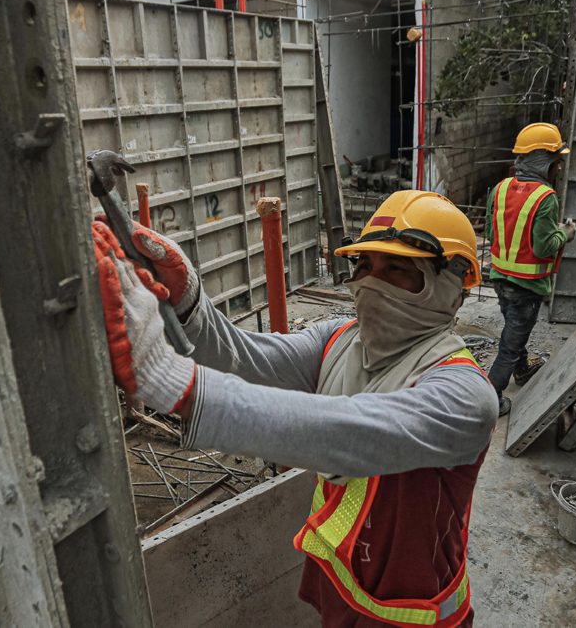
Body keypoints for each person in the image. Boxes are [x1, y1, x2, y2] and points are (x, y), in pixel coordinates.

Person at [92, 190, 497, 627]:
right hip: (342, 589)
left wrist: (175, 383)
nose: (370, 282)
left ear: (452, 289)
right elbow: (244, 358)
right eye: (364, 266)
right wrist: (189, 300)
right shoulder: (340, 339)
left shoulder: (465, 396)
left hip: (418, 617)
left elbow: (349, 437)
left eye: (397, 269)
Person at [485, 123, 576, 416]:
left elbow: (490, 231)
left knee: (515, 332)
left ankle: (522, 370)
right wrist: (566, 233)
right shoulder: (545, 198)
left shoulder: (499, 189)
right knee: (509, 346)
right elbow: (543, 247)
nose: (559, 169)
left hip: (499, 279)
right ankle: (491, 398)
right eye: (557, 162)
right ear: (544, 162)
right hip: (527, 286)